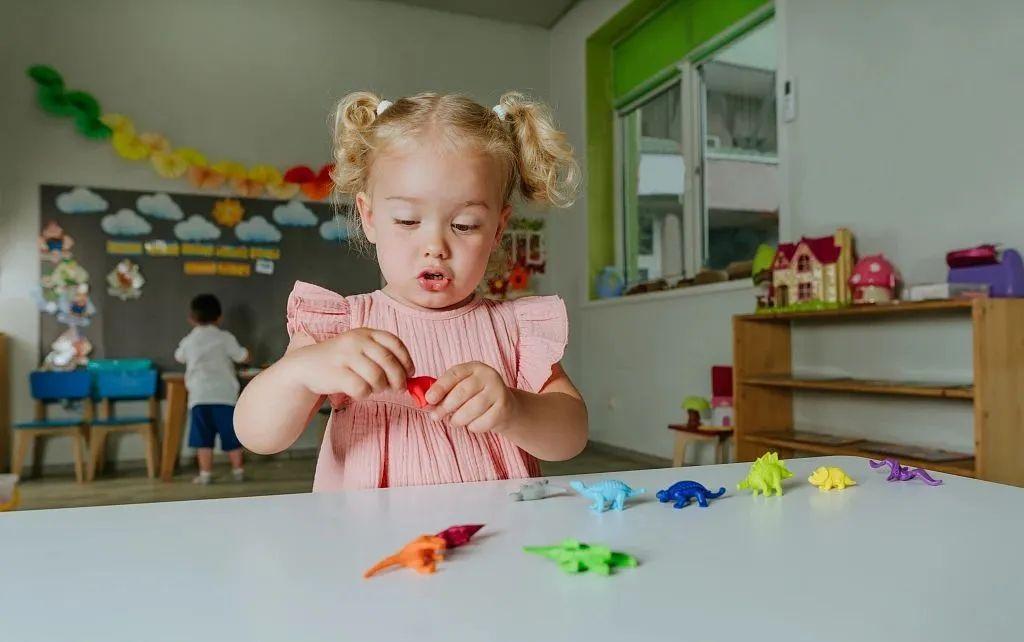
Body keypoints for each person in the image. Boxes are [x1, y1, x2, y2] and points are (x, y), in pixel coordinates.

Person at [235, 91, 588, 491]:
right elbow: (258, 436)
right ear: (369, 218)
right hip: (370, 536)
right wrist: (299, 373)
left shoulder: (515, 329)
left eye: (466, 224)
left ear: (497, 229)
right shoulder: (341, 328)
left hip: (497, 535)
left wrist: (515, 409)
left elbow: (571, 437)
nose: (435, 245)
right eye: (406, 220)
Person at [175, 294, 249, 484]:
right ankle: (238, 470)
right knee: (231, 435)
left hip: (200, 397)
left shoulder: (189, 341)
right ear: (219, 317)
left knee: (203, 438)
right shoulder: (225, 338)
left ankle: (205, 474)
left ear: (191, 318)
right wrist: (247, 354)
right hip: (225, 395)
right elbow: (241, 356)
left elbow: (179, 357)